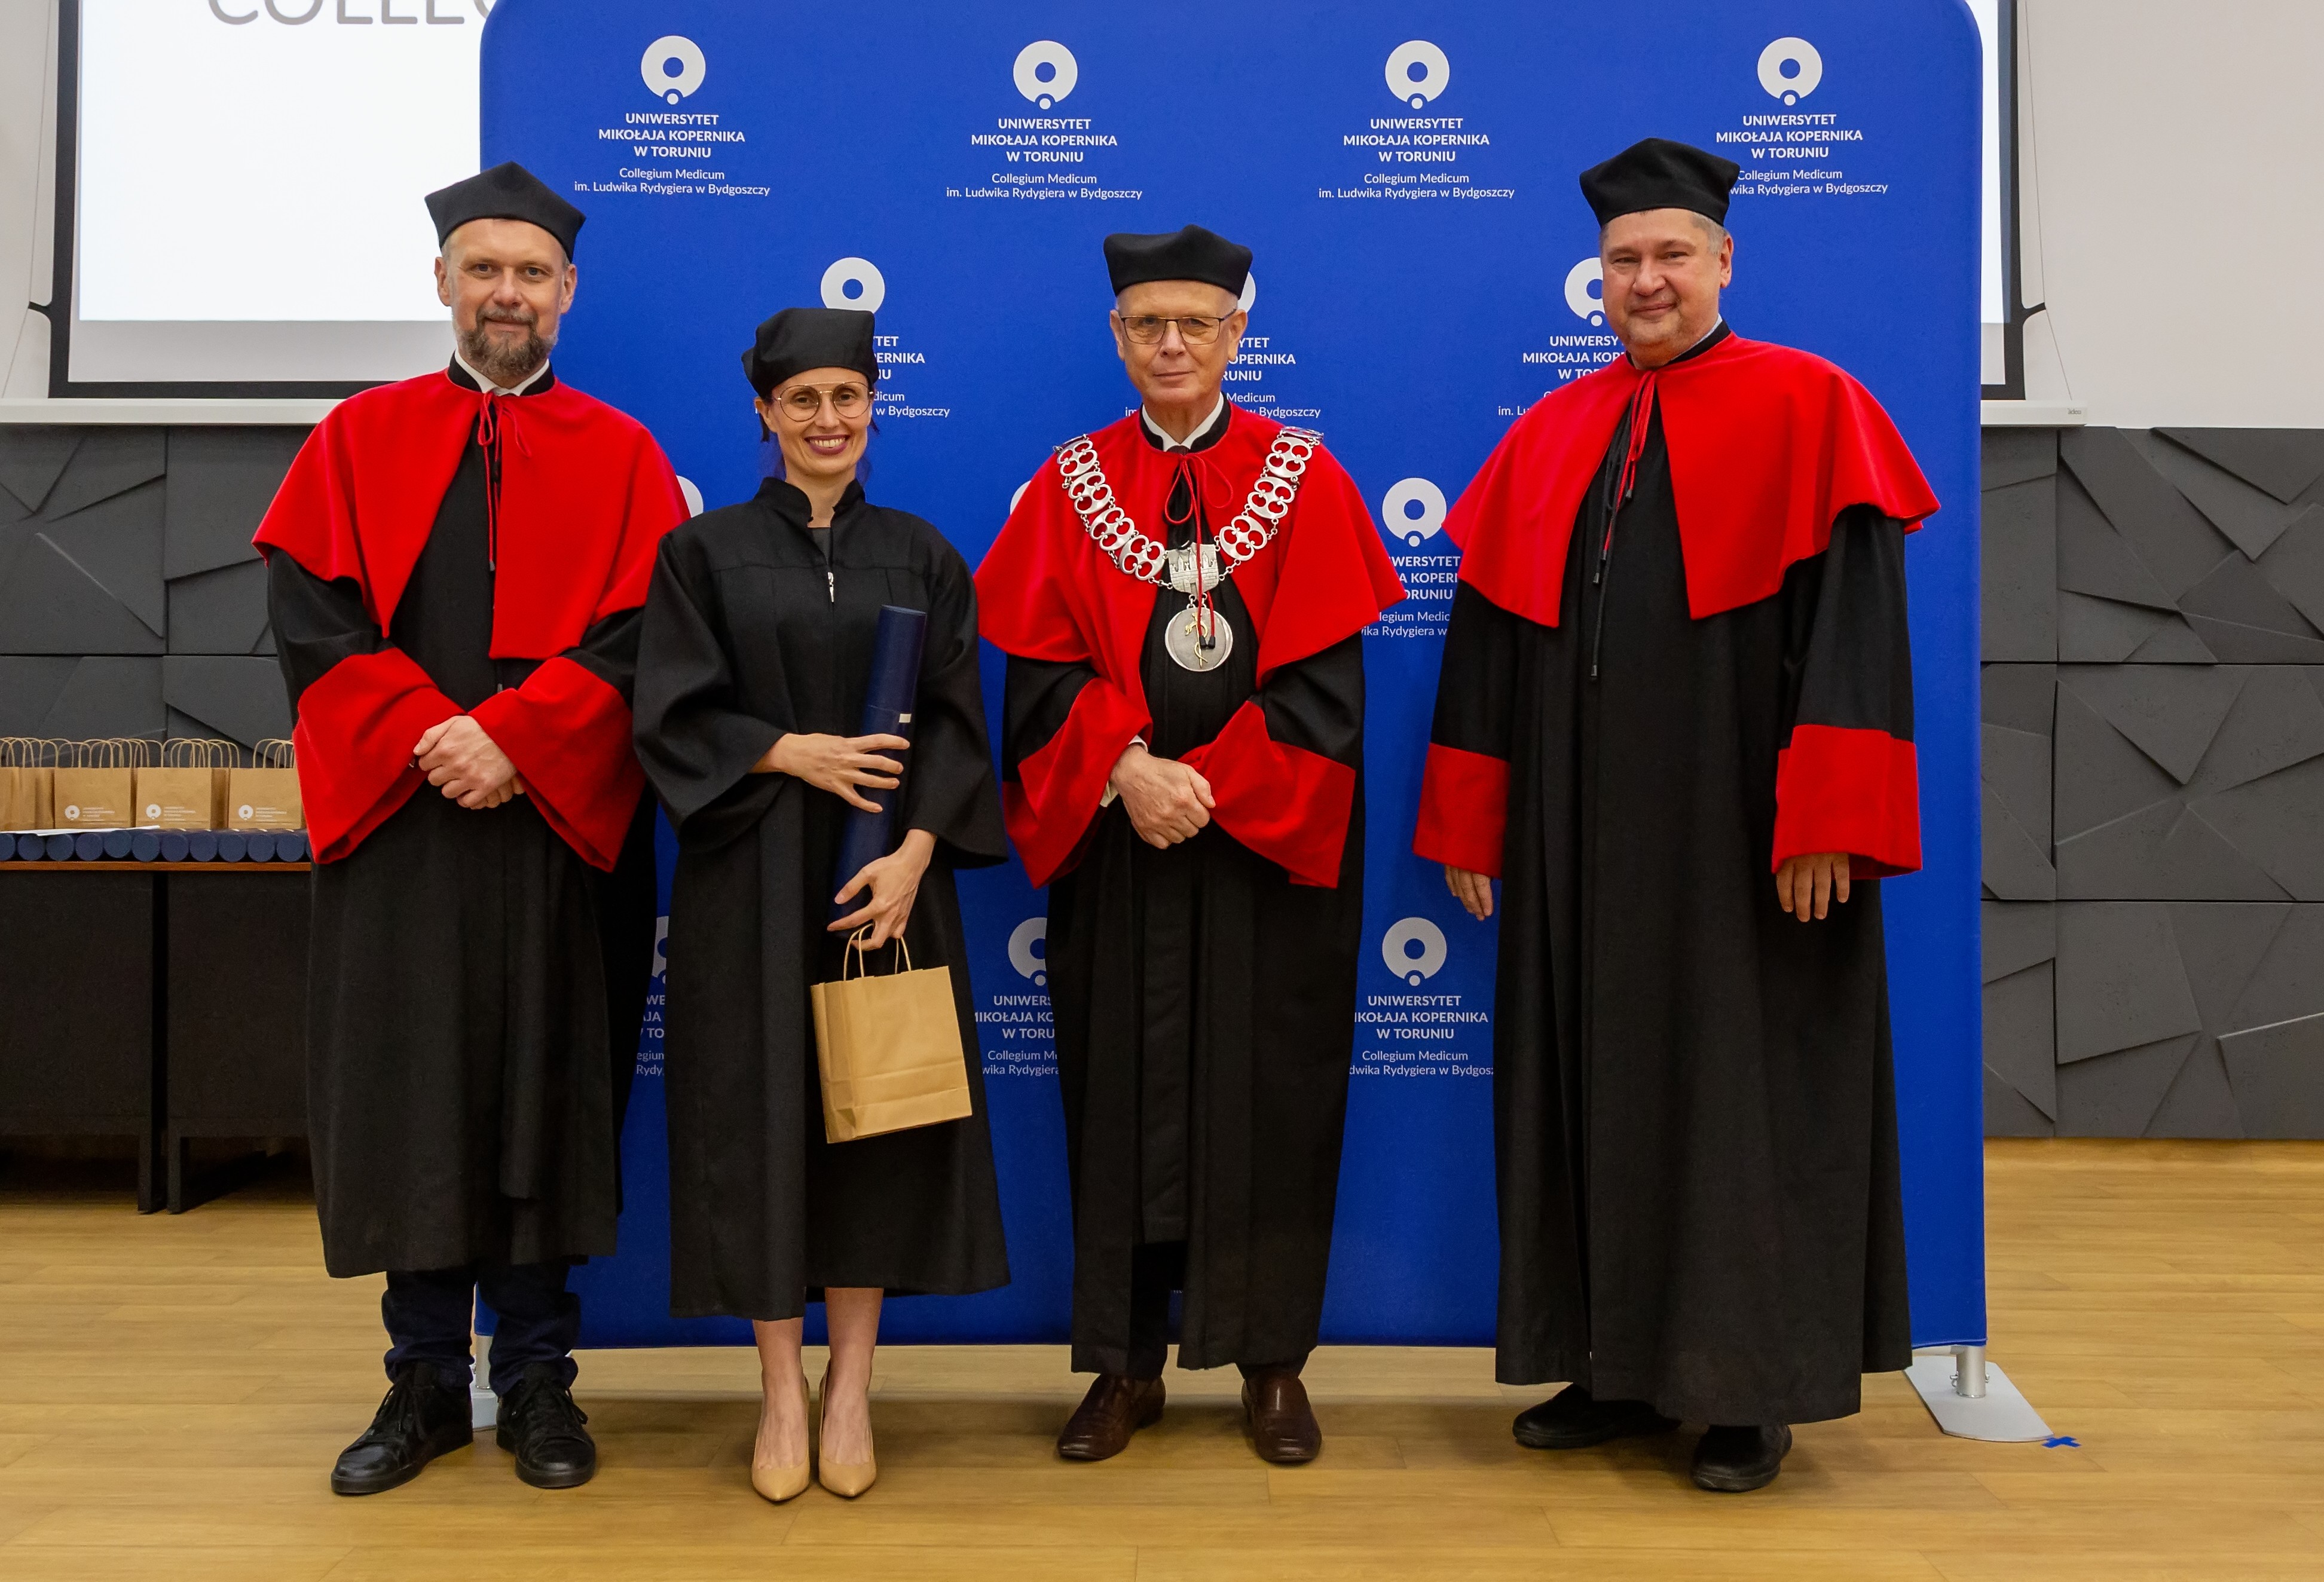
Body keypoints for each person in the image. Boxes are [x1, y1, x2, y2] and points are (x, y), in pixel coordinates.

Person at [1415, 139, 1939, 1493]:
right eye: (1622, 260)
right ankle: (1612, 1367)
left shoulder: (1814, 405)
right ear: (1596, 275)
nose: (1645, 279)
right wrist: (1471, 816)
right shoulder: (1550, 431)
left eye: (1670, 256)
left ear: (1722, 262)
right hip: (1578, 836)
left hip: (1744, 835)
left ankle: (1745, 1387)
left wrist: (1826, 815)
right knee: (1589, 1081)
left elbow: (1856, 631)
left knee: (1738, 1095)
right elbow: (1486, 640)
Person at [256, 162, 684, 1496]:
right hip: (404, 829)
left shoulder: (622, 455)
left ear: (569, 292)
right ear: (441, 279)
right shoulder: (356, 438)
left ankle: (540, 1378)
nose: (508, 292)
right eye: (484, 269)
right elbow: (313, 622)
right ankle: (427, 1379)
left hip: (558, 836)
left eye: (531, 273)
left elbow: (643, 642)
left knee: (551, 1092)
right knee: (413, 1091)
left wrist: (519, 737)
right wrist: (433, 735)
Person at [976, 225, 1402, 1466]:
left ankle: (1271, 1363)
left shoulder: (1304, 477)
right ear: (1117, 338)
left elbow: (1325, 699)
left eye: (1196, 323)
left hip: (1264, 859)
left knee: (1275, 1097)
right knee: (1116, 1097)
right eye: (1147, 324)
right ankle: (1124, 1364)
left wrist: (1205, 787)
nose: (1171, 343)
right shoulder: (1069, 484)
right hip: (1117, 850)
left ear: (1235, 334)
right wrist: (1123, 769)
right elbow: (1036, 683)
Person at [633, 307, 1011, 1503]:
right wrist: (783, 749)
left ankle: (851, 1384)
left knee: (872, 1132)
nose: (827, 419)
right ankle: (779, 1389)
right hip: (747, 880)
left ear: (873, 405)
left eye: (847, 396)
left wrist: (913, 856)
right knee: (759, 1125)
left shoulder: (923, 554)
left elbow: (956, 725)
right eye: (802, 400)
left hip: (880, 890)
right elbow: (669, 715)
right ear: (764, 411)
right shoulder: (701, 554)